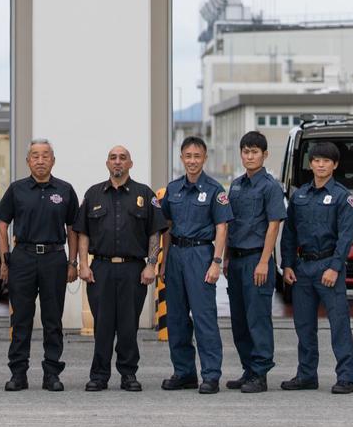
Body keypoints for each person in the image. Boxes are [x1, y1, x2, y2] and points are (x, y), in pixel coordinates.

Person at [74, 146, 166, 392]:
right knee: (102, 325)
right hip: (101, 269)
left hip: (133, 270)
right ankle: (99, 375)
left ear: (130, 164)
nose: (118, 162)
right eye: (113, 158)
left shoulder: (144, 194)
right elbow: (82, 232)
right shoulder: (93, 194)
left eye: (122, 158)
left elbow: (155, 232)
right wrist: (83, 264)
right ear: (107, 163)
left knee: (128, 326)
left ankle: (128, 375)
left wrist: (151, 265)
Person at [0, 138, 79, 392]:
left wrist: (72, 262)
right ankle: (18, 373)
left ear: (53, 160)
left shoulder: (64, 190)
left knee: (53, 319)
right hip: (23, 258)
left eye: (45, 156)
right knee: (21, 318)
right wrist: (5, 259)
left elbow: (73, 228)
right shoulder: (17, 189)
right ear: (28, 161)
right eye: (35, 156)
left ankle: (51, 373)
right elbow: (2, 225)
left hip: (55, 258)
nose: (40, 160)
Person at [280, 142, 353, 394]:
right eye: (316, 160)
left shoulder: (343, 197)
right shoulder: (299, 195)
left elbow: (346, 236)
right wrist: (288, 264)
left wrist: (335, 267)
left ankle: (346, 377)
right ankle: (306, 375)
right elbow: (289, 233)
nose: (320, 165)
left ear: (335, 165)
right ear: (310, 163)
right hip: (303, 268)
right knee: (304, 325)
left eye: (326, 161)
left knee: (339, 323)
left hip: (328, 267)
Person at [159, 136, 233, 394]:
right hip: (176, 256)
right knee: (177, 319)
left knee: (204, 319)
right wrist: (163, 260)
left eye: (197, 156)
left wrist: (216, 262)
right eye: (188, 156)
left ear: (204, 158)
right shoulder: (173, 188)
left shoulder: (215, 190)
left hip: (201, 256)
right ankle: (184, 372)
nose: (192, 161)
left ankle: (211, 375)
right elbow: (166, 227)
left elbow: (222, 227)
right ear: (181, 158)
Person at [223, 131, 287, 394]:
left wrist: (264, 262)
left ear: (265, 155)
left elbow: (273, 227)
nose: (250, 156)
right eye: (246, 152)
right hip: (236, 260)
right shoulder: (236, 185)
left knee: (257, 318)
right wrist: (226, 258)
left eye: (255, 152)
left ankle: (260, 373)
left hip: (257, 260)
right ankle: (248, 369)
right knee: (239, 320)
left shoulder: (270, 186)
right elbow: (229, 225)